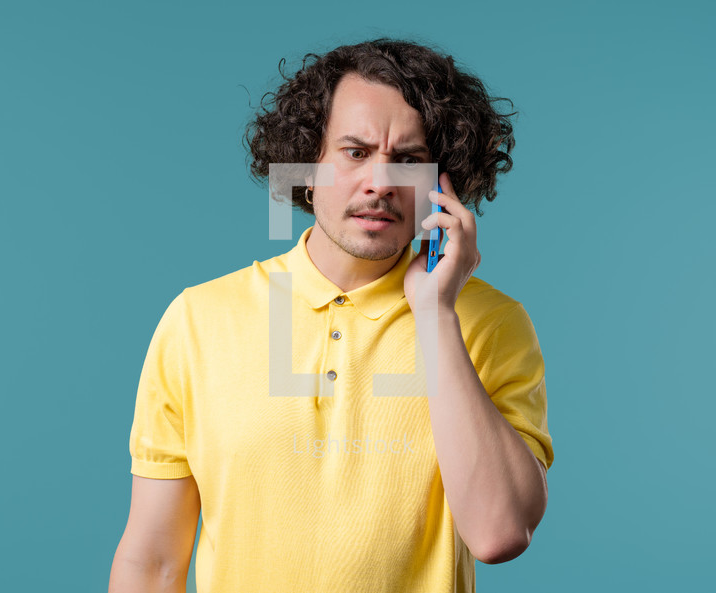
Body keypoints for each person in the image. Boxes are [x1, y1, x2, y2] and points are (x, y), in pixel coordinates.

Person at [109, 38, 553, 593]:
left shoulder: (491, 323)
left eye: (409, 160)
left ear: (443, 183)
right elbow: (153, 563)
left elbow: (499, 533)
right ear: (306, 162)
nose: (380, 183)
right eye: (355, 151)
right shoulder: (199, 321)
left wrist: (436, 314)